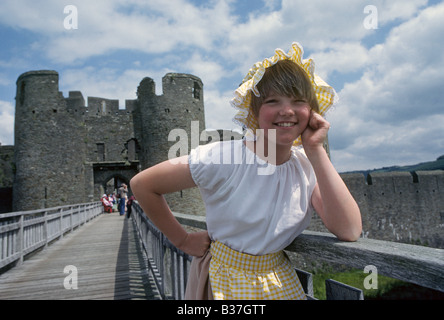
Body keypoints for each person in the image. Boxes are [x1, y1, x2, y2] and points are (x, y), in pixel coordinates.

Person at [130, 42, 362, 300]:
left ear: (312, 110)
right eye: (273, 101)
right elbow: (143, 184)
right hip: (223, 281)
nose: (287, 110)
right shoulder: (224, 157)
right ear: (254, 110)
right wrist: (182, 240)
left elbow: (350, 230)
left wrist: (316, 150)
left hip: (279, 281)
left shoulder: (304, 165)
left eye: (298, 101)